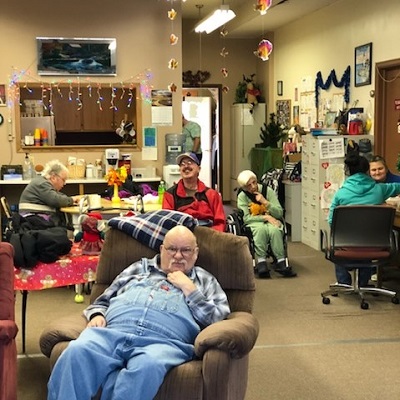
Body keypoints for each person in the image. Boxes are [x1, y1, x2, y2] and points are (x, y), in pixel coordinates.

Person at [47, 225, 230, 400]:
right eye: (172, 249)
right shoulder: (138, 268)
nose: (178, 256)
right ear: (161, 249)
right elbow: (102, 300)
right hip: (111, 332)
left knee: (147, 367)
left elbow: (219, 317)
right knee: (76, 352)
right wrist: (97, 314)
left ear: (196, 253)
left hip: (163, 342)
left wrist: (190, 290)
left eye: (186, 250)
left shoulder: (204, 280)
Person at [328, 153, 400, 286]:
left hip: (346, 244)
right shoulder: (381, 190)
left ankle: (343, 282)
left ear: (348, 172)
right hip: (375, 245)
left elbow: (332, 221)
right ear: (368, 171)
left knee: (336, 236)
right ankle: (363, 283)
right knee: (367, 238)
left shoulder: (340, 194)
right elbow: (398, 186)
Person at [236, 170, 297, 279]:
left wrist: (265, 202)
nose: (253, 187)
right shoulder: (242, 196)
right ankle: (261, 262)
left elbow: (279, 212)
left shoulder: (267, 191)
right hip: (254, 221)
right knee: (261, 230)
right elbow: (246, 218)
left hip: (272, 219)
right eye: (249, 185)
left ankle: (281, 261)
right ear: (244, 187)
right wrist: (266, 217)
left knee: (275, 229)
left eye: (254, 182)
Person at [162, 152, 226, 232]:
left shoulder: (212, 194)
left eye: (190, 162)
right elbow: (168, 222)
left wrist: (212, 238)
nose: (186, 166)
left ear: (199, 169)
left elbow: (220, 222)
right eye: (182, 164)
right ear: (180, 170)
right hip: (182, 235)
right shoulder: (170, 195)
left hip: (209, 234)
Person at [19, 159, 81, 227]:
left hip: (34, 217)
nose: (64, 183)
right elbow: (55, 200)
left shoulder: (42, 182)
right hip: (32, 219)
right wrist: (71, 200)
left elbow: (58, 196)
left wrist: (70, 200)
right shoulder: (42, 184)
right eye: (63, 180)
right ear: (53, 177)